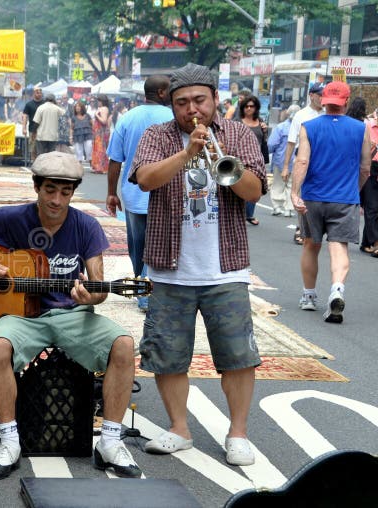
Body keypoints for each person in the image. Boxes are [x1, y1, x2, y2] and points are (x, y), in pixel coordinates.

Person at [0, 151, 142, 480]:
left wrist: (92, 293)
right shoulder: (12, 218)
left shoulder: (86, 226)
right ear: (36, 186)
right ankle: (10, 440)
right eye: (50, 190)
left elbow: (98, 285)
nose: (56, 200)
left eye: (65, 192)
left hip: (71, 314)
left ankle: (109, 441)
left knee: (123, 344)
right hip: (22, 317)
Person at [130, 63, 267, 467]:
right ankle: (179, 428)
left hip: (226, 266)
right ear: (170, 104)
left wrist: (220, 161)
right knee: (167, 355)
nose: (192, 109)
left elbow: (254, 189)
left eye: (199, 100)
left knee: (238, 355)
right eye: (182, 102)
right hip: (169, 267)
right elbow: (146, 179)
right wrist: (187, 152)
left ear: (214, 100)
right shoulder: (157, 135)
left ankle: (238, 433)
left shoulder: (239, 133)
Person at [290, 81, 371, 323]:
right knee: (339, 247)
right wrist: (353, 190)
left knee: (310, 245)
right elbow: (365, 168)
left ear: (324, 101)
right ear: (346, 101)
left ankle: (308, 295)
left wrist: (295, 193)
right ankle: (337, 289)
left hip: (313, 197)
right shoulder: (361, 129)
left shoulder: (309, 127)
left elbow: (302, 162)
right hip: (345, 198)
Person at [105, 75, 173, 312]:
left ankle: (141, 288)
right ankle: (146, 294)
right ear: (162, 92)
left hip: (133, 194)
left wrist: (111, 193)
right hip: (165, 194)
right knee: (156, 246)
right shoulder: (173, 118)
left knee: (137, 246)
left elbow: (115, 160)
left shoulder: (127, 118)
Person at [283, 83, 325, 244]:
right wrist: (286, 166)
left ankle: (314, 227)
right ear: (311, 95)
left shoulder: (328, 113)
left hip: (321, 160)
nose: (322, 98)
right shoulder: (301, 115)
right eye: (319, 94)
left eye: (324, 95)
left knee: (317, 195)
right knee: (301, 194)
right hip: (303, 158)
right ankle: (301, 228)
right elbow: (291, 142)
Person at [237, 95, 269, 225]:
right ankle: (239, 213)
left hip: (257, 159)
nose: (249, 109)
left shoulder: (260, 123)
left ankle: (249, 215)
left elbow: (263, 141)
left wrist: (265, 131)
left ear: (256, 108)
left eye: (252, 106)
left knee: (255, 187)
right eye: (246, 106)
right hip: (241, 159)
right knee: (241, 186)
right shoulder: (238, 123)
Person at [267, 105, 301, 218]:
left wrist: (270, 152)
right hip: (297, 161)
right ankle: (289, 209)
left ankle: (277, 207)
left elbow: (271, 144)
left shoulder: (281, 127)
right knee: (292, 185)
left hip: (280, 160)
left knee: (278, 184)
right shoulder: (303, 128)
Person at [360, 108, 378, 256]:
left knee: (375, 207)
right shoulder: (367, 125)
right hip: (370, 167)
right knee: (371, 207)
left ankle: (367, 241)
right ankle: (376, 242)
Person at [22, 87, 45, 160]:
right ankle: (34, 164)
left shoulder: (44, 104)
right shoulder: (29, 104)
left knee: (42, 149)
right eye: (37, 92)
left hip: (43, 130)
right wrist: (24, 128)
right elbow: (25, 116)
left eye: (40, 93)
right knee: (33, 149)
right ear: (34, 93)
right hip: (32, 129)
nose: (39, 94)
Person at [90, 95, 111, 174]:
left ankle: (100, 167)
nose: (98, 102)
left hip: (101, 132)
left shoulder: (104, 109)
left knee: (100, 149)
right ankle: (99, 167)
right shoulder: (102, 108)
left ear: (102, 101)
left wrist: (97, 115)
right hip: (98, 131)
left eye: (99, 101)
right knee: (98, 148)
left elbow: (104, 121)